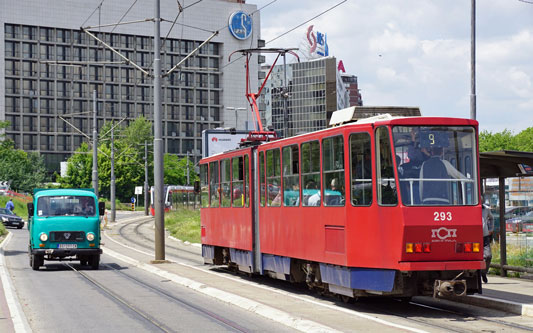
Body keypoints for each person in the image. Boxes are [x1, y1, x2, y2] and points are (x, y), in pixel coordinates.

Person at [482, 197, 494, 283]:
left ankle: (483, 272)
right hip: (473, 236)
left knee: (488, 256)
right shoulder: (469, 208)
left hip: (485, 235)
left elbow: (492, 218)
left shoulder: (486, 209)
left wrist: (491, 228)